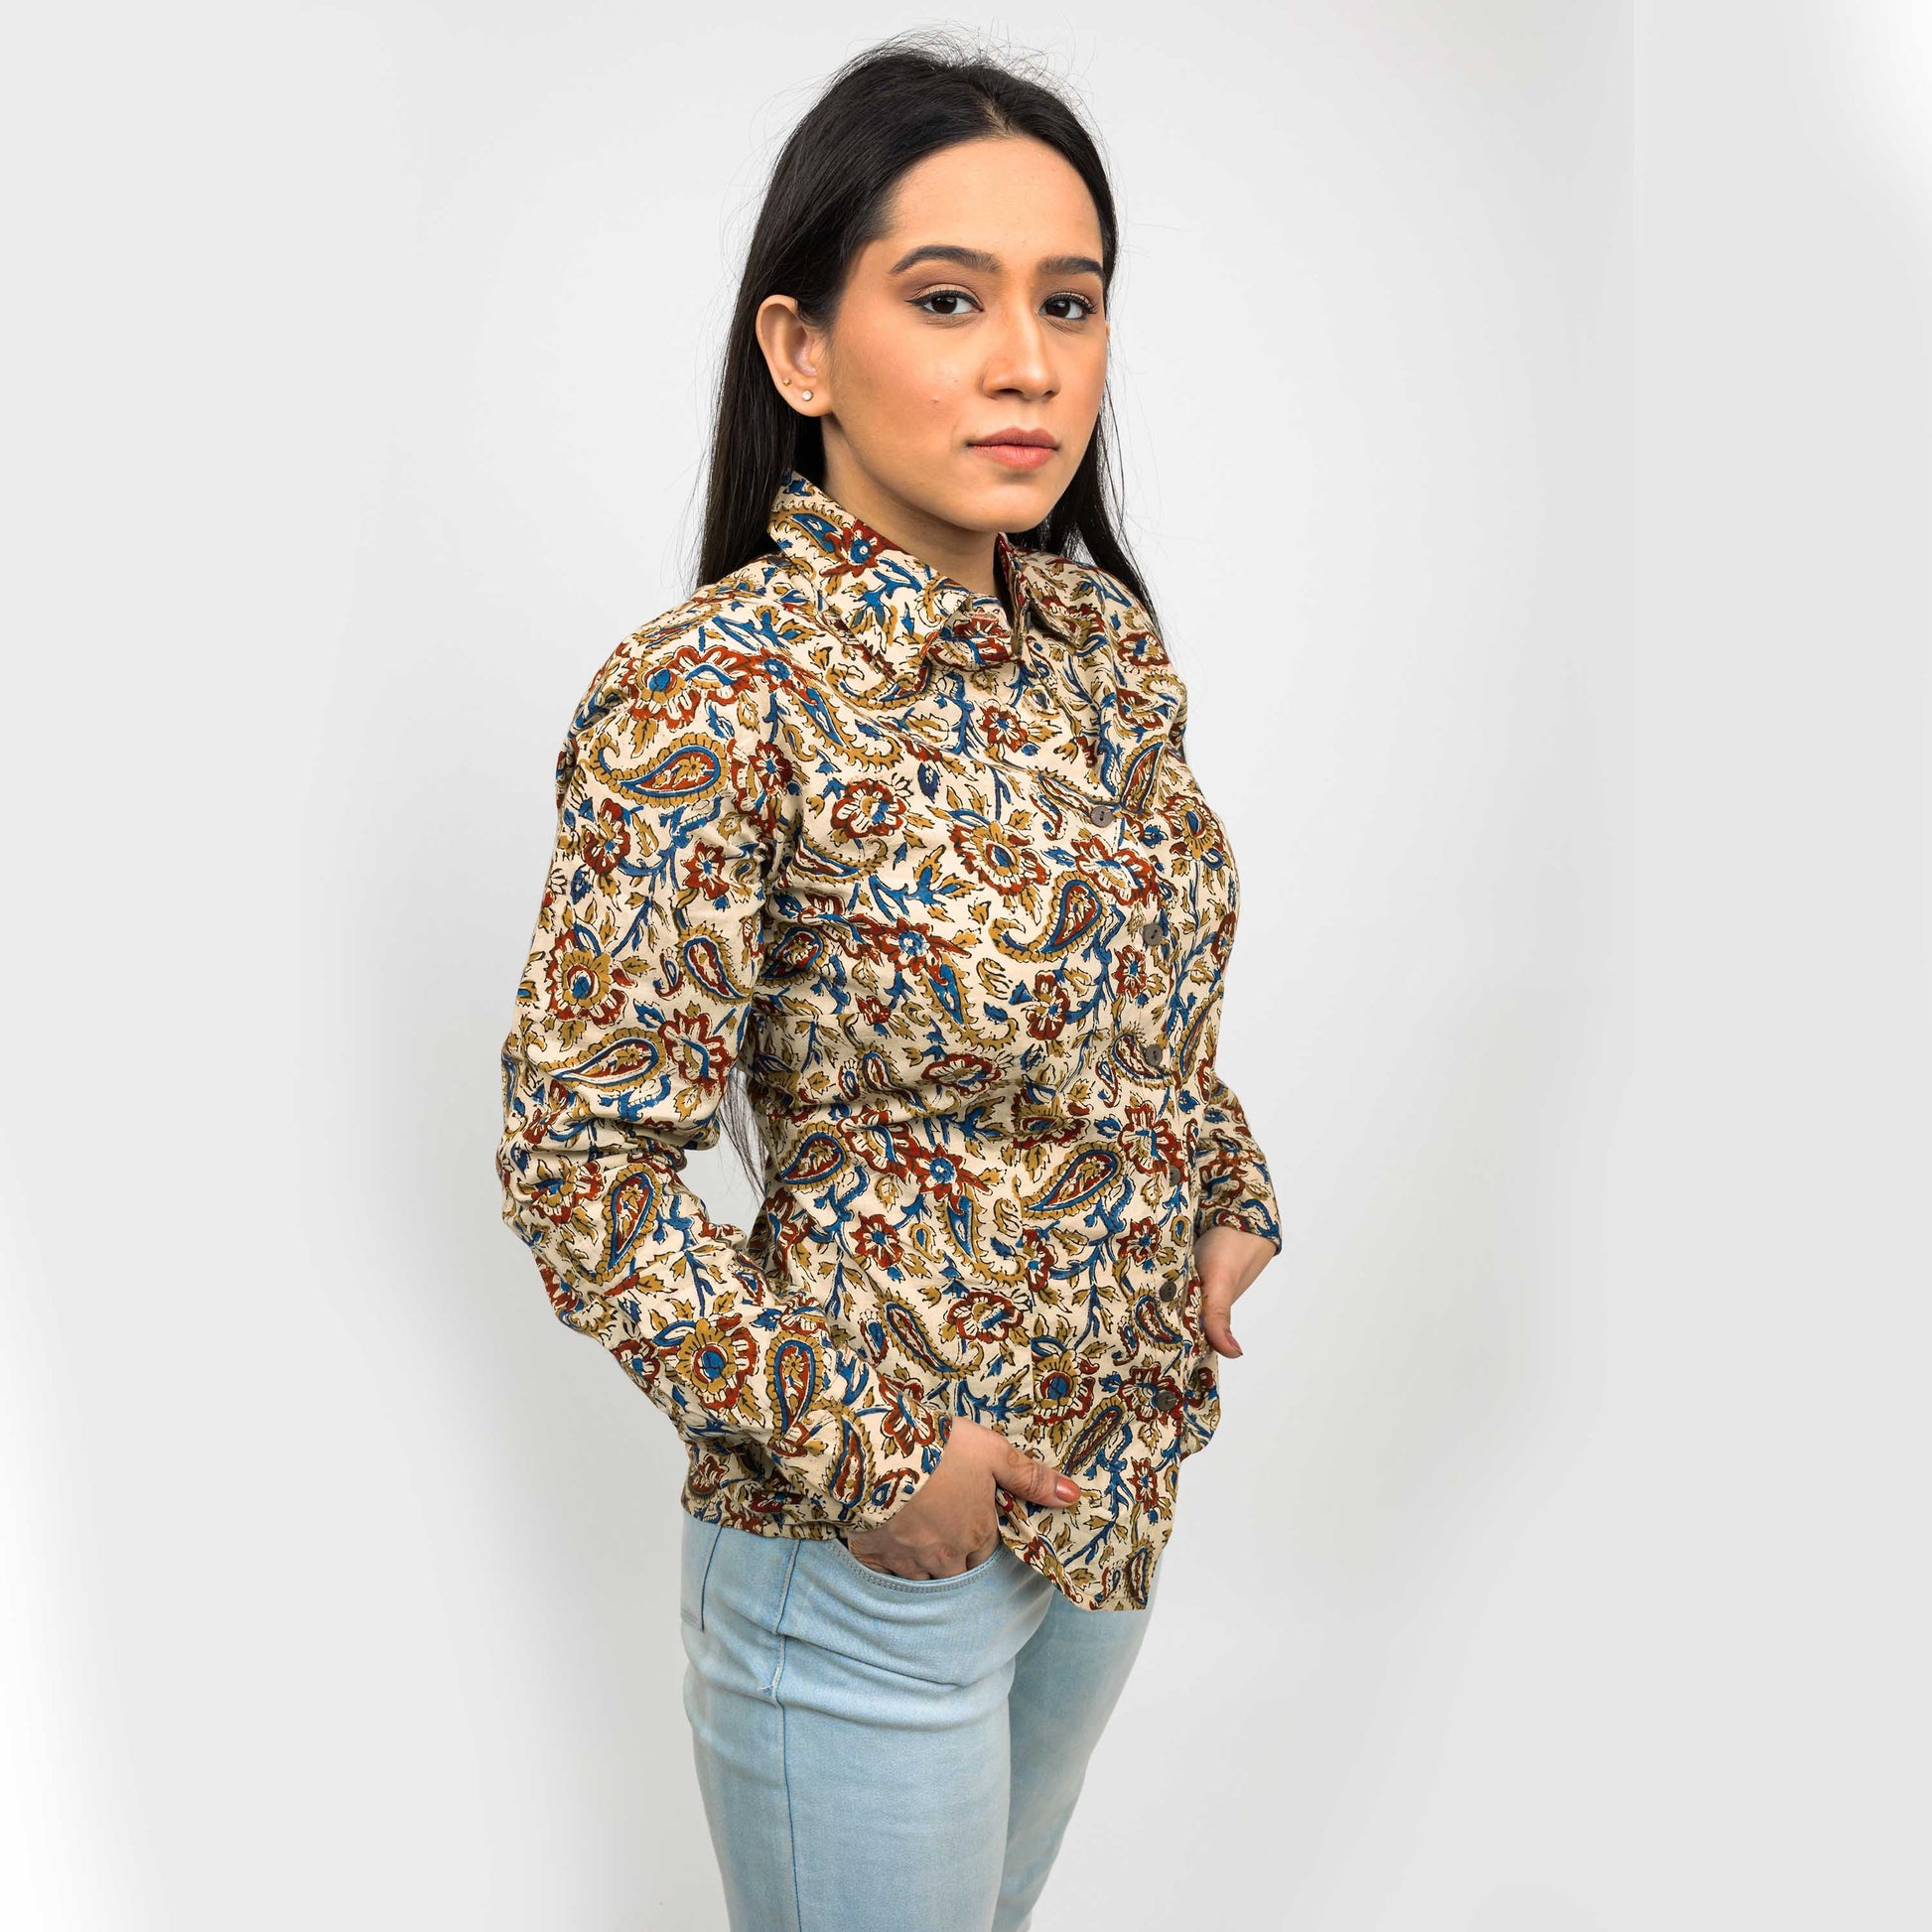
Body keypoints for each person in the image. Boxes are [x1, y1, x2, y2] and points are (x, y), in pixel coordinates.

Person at [493, 33, 1282, 1932]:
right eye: (947, 299)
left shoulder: (1097, 645)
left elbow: (1142, 1007)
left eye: (1068, 302)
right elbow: (576, 1167)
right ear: (799, 350)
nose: (1028, 363)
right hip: (872, 1554)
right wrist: (876, 1455)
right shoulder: (710, 695)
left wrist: (1224, 1188)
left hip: (1105, 1508)